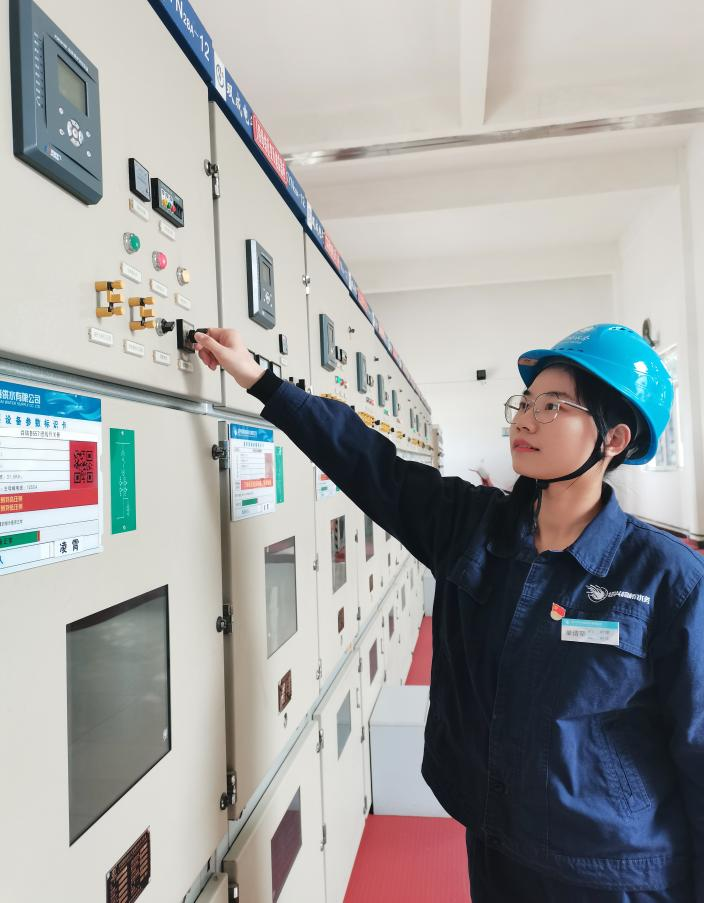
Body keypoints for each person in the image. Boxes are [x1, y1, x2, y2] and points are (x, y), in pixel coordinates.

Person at [194, 323, 704, 903]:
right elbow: (368, 464)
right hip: (494, 837)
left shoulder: (666, 578)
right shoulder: (473, 526)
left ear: (613, 439)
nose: (525, 421)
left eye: (554, 406)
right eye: (525, 403)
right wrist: (260, 380)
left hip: (609, 866)